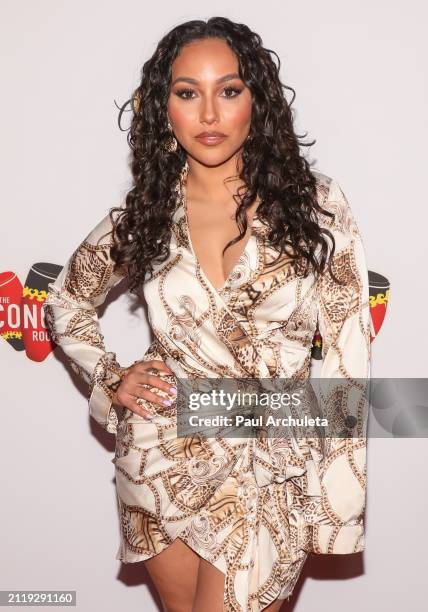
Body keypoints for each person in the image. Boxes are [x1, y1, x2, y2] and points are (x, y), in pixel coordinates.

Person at [43, 16, 371, 612]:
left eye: (230, 90)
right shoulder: (146, 213)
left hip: (270, 462)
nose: (210, 114)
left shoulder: (318, 205)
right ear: (163, 108)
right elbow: (66, 300)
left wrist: (338, 507)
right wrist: (112, 379)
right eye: (187, 92)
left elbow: (348, 355)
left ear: (257, 101)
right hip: (159, 456)